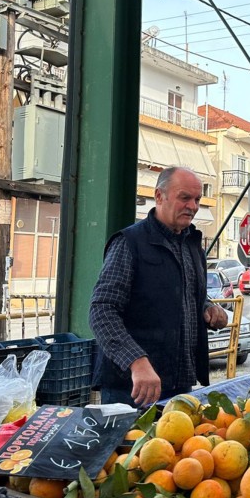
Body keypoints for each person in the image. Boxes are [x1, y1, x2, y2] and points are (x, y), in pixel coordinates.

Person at [89, 166, 229, 407]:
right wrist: (136, 361)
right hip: (132, 387)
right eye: (184, 197)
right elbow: (102, 310)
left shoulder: (192, 245)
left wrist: (208, 308)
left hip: (180, 383)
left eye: (197, 200)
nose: (193, 207)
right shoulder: (129, 243)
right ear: (159, 196)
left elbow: (182, 294)